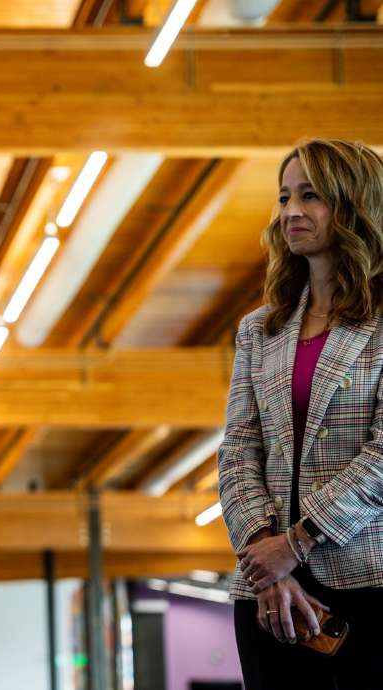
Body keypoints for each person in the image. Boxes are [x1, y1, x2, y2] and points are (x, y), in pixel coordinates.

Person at [219, 138, 383, 689]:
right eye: (284, 196)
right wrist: (266, 561)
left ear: (355, 206)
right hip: (268, 599)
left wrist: (297, 542)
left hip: (366, 584)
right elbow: (238, 452)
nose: (291, 212)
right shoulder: (258, 330)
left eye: (311, 196)